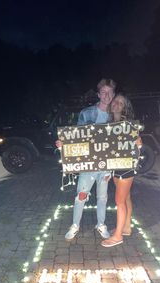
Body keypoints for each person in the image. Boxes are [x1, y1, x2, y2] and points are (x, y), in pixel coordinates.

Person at [56, 78, 116, 240]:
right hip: (88, 165)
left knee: (102, 197)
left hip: (106, 165)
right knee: (81, 195)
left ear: (113, 94)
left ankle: (101, 224)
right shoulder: (86, 113)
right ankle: (75, 225)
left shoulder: (116, 116)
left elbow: (120, 140)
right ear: (98, 94)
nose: (107, 95)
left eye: (110, 92)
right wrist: (64, 143)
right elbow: (76, 136)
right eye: (103, 92)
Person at [101, 93, 142, 248]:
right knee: (126, 198)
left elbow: (138, 145)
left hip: (126, 167)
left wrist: (138, 143)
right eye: (115, 101)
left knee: (119, 201)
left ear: (125, 107)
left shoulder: (129, 124)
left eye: (121, 102)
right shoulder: (109, 123)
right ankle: (126, 227)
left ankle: (117, 236)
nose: (116, 104)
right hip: (115, 166)